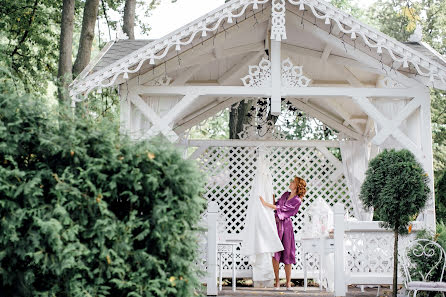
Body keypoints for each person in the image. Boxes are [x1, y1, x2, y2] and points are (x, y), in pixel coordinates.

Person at [259, 176, 306, 290]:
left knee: (288, 253)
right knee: (275, 253)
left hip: (286, 227)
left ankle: (288, 282)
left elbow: (281, 208)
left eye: (293, 182)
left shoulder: (297, 200)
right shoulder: (285, 194)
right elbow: (277, 204)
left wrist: (265, 203)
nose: (290, 183)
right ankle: (277, 282)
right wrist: (272, 195)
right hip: (276, 225)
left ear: (297, 185)